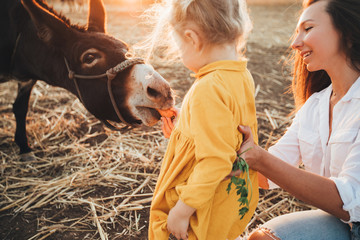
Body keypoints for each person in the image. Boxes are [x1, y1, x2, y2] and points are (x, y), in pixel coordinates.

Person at [232, 0, 360, 239]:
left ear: (348, 33)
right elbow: (268, 174)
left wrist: (259, 158)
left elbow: (348, 200)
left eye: (308, 28)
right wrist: (199, 131)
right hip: (344, 224)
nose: (295, 43)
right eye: (297, 31)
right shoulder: (315, 105)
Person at [144, 0, 260, 239]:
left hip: (200, 213)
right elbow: (225, 134)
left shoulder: (208, 88)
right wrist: (185, 124)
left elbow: (216, 159)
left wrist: (183, 209)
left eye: (178, 45)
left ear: (192, 38)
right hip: (226, 200)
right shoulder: (240, 74)